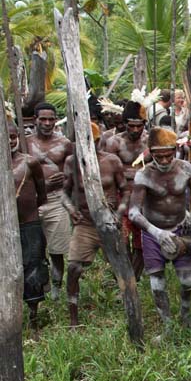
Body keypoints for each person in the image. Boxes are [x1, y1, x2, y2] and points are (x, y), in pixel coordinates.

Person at [129, 127, 191, 331]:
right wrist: (157, 233)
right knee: (157, 282)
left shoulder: (185, 168)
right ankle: (168, 326)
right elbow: (133, 213)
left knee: (188, 280)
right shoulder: (144, 175)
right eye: (158, 157)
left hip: (180, 228)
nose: (163, 161)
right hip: (153, 232)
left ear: (175, 151)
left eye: (168, 156)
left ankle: (185, 315)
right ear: (151, 153)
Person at [62, 123, 128, 327]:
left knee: (121, 267)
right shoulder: (72, 162)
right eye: (82, 142)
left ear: (99, 141)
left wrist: (118, 214)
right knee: (73, 267)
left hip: (109, 223)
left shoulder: (112, 161)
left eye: (92, 141)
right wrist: (71, 210)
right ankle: (74, 318)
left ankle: (129, 308)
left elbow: (125, 191)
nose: (87, 146)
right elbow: (64, 193)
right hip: (85, 224)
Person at [26, 102, 74, 300]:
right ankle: (37, 285)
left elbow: (75, 171)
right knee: (33, 248)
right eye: (43, 119)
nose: (47, 123)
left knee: (57, 249)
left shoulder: (64, 143)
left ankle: (56, 287)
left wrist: (66, 178)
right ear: (35, 120)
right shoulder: (25, 142)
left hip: (56, 200)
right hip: (31, 202)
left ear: (56, 120)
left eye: (51, 119)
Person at [9, 121, 49, 326]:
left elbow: (42, 194)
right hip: (6, 229)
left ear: (18, 137)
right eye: (5, 138)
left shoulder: (30, 163)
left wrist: (29, 214)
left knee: (33, 266)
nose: (10, 141)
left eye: (12, 137)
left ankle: (34, 315)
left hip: (29, 225)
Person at [105, 99, 149, 279]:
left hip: (144, 198)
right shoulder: (114, 142)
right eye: (132, 126)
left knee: (143, 242)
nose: (136, 130)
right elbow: (109, 172)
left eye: (139, 126)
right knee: (121, 240)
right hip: (121, 197)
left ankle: (134, 278)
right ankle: (125, 276)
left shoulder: (150, 140)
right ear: (124, 124)